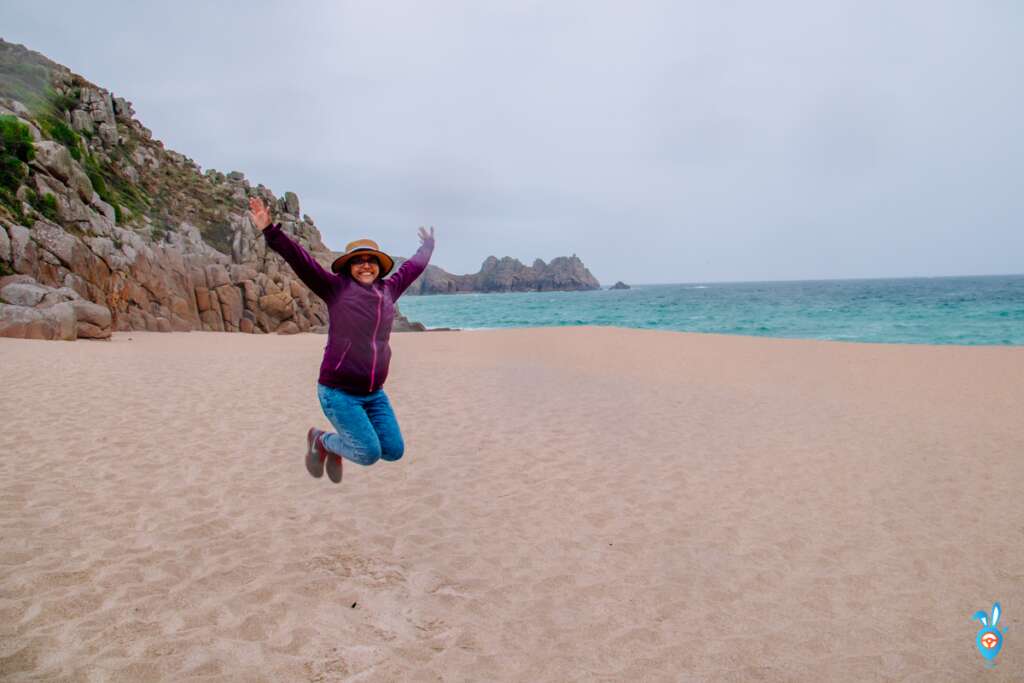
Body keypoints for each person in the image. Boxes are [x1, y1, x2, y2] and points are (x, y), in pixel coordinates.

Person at [248, 196, 435, 484]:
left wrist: (427, 247)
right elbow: (301, 260)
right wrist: (269, 229)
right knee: (367, 453)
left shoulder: (389, 291)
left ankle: (335, 447)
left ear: (379, 266)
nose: (365, 266)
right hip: (339, 392)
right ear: (348, 266)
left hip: (374, 393)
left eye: (370, 261)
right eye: (358, 262)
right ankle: (321, 441)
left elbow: (412, 268)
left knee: (394, 450)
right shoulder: (335, 289)